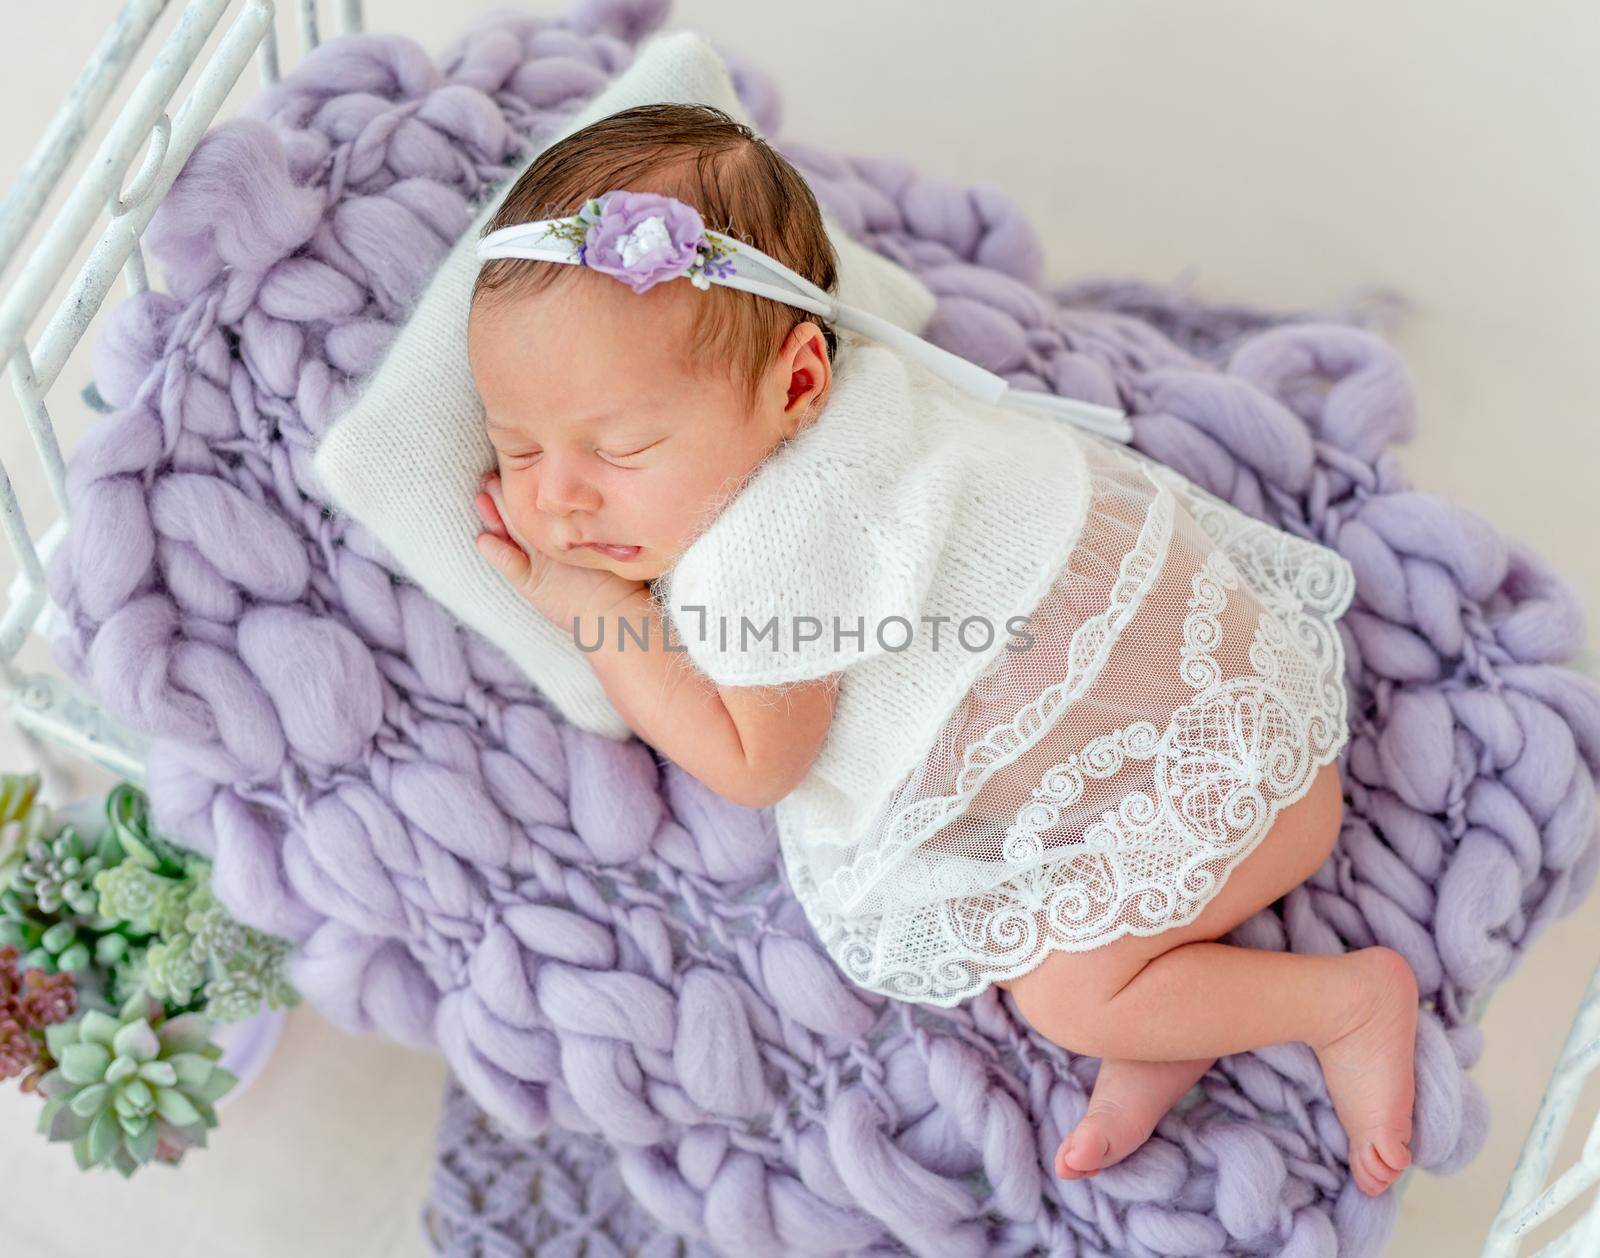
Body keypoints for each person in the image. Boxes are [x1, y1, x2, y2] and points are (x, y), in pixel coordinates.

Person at [466, 101, 1418, 1197]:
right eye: (515, 446)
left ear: (797, 381)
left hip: (1219, 794)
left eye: (622, 446)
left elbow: (753, 762)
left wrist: (594, 607)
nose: (558, 495)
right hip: (1234, 696)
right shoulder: (860, 396)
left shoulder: (765, 551)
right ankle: (1171, 1021)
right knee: (1100, 968)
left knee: (1062, 995)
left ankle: (1339, 999)